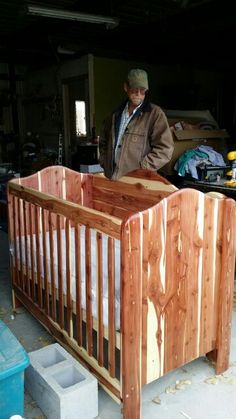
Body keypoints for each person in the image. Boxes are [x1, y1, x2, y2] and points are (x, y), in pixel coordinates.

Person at [98, 68, 174, 180]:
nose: (138, 94)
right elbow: (103, 142)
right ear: (126, 87)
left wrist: (143, 168)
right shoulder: (115, 115)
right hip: (112, 178)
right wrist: (104, 161)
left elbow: (165, 149)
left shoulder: (155, 114)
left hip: (138, 182)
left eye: (142, 90)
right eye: (134, 89)